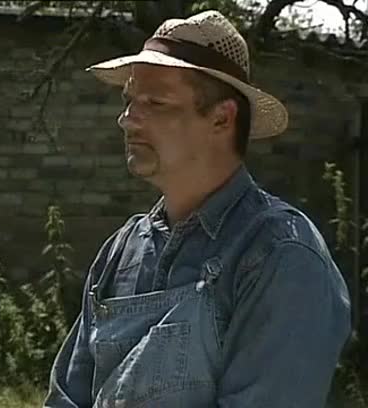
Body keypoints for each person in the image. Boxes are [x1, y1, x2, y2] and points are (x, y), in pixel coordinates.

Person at [43, 9, 352, 408]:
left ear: (222, 119)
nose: (127, 120)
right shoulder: (122, 251)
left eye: (155, 103)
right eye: (129, 101)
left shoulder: (281, 255)